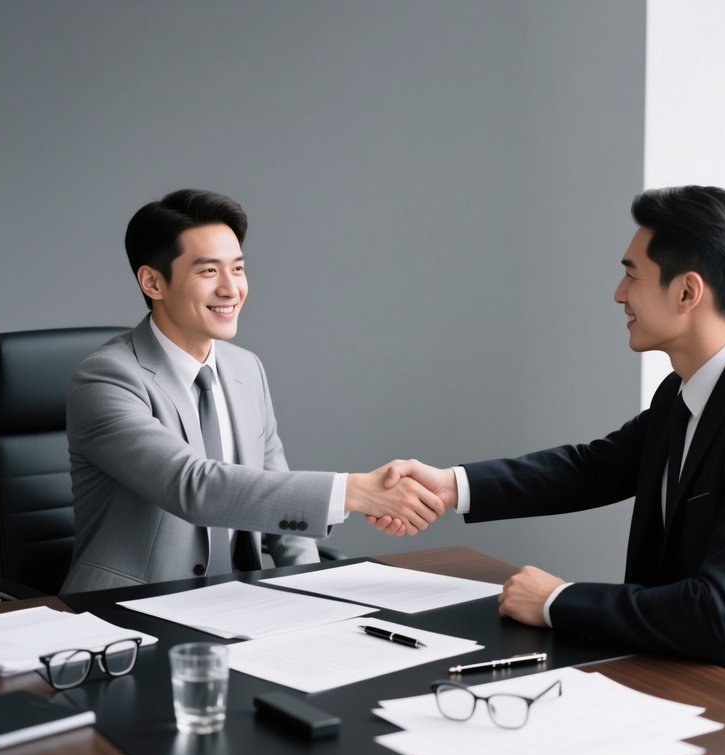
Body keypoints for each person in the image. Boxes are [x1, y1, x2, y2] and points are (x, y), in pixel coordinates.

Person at [371, 185, 725, 673]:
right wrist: (449, 486)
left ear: (686, 292)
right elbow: (592, 469)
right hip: (670, 668)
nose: (618, 294)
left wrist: (557, 601)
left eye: (631, 275)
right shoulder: (685, 391)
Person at [62, 189, 443, 593]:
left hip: (239, 603)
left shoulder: (246, 369)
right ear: (153, 282)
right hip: (127, 609)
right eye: (209, 272)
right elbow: (193, 487)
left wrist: (314, 590)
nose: (231, 289)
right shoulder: (105, 379)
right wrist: (353, 491)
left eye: (238, 269)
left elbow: (278, 499)